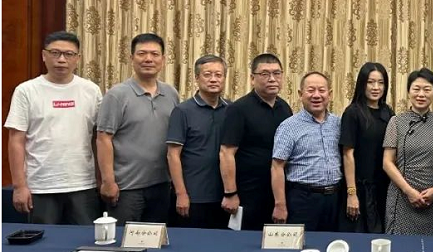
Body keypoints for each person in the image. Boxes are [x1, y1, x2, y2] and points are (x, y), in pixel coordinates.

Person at [4, 31, 102, 225]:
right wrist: (19, 186)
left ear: (78, 58)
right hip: (41, 186)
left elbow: (99, 138)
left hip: (82, 185)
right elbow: (16, 140)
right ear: (44, 55)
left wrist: (102, 178)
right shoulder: (26, 90)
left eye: (69, 54)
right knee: (45, 241)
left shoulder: (91, 90)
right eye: (55, 53)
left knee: (85, 240)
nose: (61, 59)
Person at [97, 33, 179, 225]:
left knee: (157, 239)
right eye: (142, 53)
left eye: (154, 54)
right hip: (126, 189)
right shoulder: (117, 95)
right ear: (131, 58)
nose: (148, 59)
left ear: (163, 60)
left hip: (162, 185)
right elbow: (103, 139)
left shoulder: (171, 93)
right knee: (123, 239)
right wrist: (108, 181)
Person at [219, 54, 292, 230]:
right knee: (248, 241)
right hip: (248, 192)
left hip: (279, 192)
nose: (272, 79)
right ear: (252, 78)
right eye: (265, 74)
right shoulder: (238, 109)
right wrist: (230, 193)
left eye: (277, 73)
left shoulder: (285, 108)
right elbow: (226, 153)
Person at [166, 55, 231, 229]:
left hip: (224, 196)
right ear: (196, 78)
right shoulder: (182, 111)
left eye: (218, 75)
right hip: (193, 196)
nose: (213, 79)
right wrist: (181, 194)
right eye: (207, 74)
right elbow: (172, 155)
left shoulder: (231, 110)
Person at [272, 72, 342, 230]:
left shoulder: (338, 123)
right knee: (302, 244)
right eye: (310, 90)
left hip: (334, 199)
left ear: (330, 94)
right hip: (302, 199)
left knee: (332, 243)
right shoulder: (289, 126)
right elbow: (277, 167)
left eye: (321, 90)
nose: (316, 95)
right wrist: (280, 205)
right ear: (300, 94)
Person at [383, 68, 433, 236]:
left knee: (431, 246)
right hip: (402, 196)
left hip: (432, 198)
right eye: (416, 89)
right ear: (408, 92)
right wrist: (409, 191)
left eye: (427, 89)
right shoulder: (396, 122)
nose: (421, 94)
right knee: (400, 245)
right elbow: (387, 162)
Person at [339, 62, 394, 233]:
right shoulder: (352, 112)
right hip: (359, 188)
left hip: (383, 187)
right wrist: (351, 193)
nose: (376, 87)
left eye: (381, 82)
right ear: (362, 84)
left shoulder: (388, 112)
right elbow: (347, 154)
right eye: (371, 82)